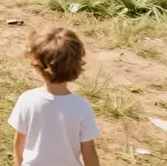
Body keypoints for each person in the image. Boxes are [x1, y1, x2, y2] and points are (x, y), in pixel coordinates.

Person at [8, 28, 100, 166]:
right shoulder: (82, 107)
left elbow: (19, 143)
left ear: (36, 63)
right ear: (77, 63)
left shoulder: (27, 100)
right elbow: (89, 153)